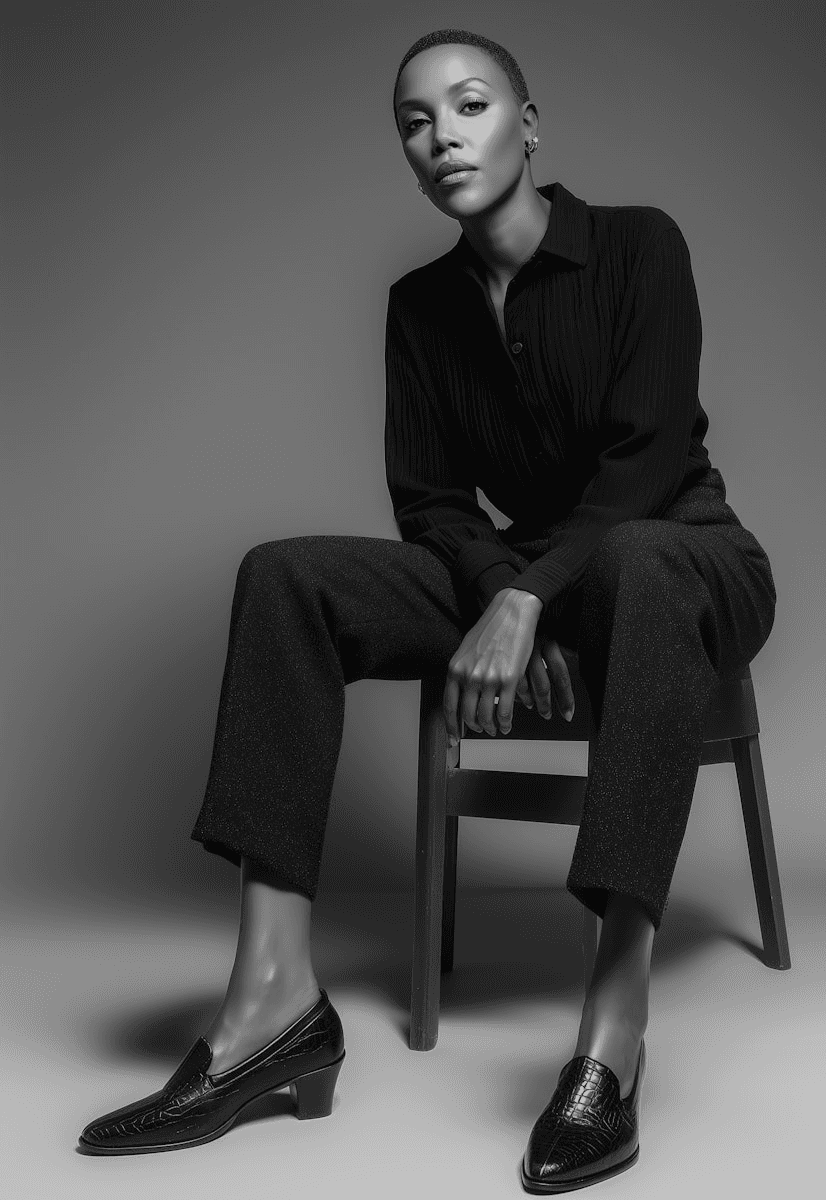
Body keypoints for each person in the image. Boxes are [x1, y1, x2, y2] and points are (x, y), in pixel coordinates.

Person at [78, 26, 777, 1191]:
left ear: (527, 123)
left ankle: (613, 1033)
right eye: (414, 119)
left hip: (689, 557)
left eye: (468, 105)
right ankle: (272, 1002)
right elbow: (432, 504)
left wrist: (528, 601)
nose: (442, 134)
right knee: (287, 574)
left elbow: (644, 466)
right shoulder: (419, 308)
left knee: (643, 563)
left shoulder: (639, 248)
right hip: (522, 580)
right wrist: (508, 592)